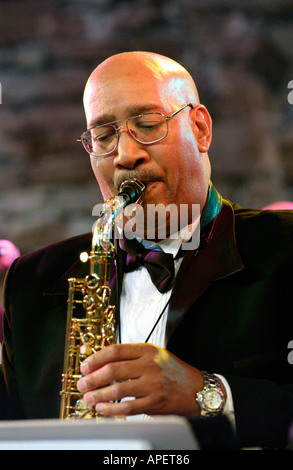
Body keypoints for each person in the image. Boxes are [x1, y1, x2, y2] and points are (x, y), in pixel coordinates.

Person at [2, 51, 293, 449]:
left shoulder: (285, 246)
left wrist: (209, 394)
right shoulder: (29, 281)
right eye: (104, 136)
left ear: (201, 129)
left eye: (148, 124)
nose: (125, 155)